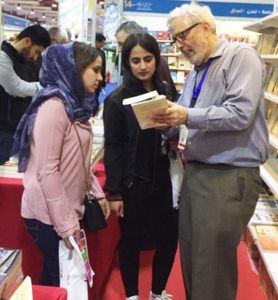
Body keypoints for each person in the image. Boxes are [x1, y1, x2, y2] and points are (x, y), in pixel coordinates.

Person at [152, 4, 269, 300]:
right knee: (194, 261)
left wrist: (186, 116)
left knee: (211, 267)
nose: (179, 46)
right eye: (174, 40)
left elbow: (239, 114)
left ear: (206, 26)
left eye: (182, 36)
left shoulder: (240, 57)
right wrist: (166, 124)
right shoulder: (197, 72)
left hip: (227, 176)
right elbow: (193, 121)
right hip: (199, 174)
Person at [12, 42, 110, 286]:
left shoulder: (77, 106)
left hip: (65, 211)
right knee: (64, 279)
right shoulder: (55, 107)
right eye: (95, 70)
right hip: (48, 216)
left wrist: (96, 193)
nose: (100, 77)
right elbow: (47, 171)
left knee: (57, 278)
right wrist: (66, 225)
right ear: (75, 69)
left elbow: (79, 162)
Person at [103, 33, 178, 300]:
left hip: (162, 175)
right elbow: (113, 147)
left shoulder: (165, 90)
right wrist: (114, 192)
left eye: (148, 59)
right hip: (132, 180)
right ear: (127, 63)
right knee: (131, 240)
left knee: (169, 238)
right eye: (136, 60)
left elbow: (176, 126)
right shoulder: (116, 100)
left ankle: (157, 292)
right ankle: (132, 295)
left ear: (157, 59)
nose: (143, 66)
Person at [0, 25, 51, 165]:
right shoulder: (2, 58)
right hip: (4, 132)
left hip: (19, 129)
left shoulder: (23, 61)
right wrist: (45, 88)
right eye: (36, 51)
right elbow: (15, 87)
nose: (35, 57)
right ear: (27, 41)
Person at [115, 21, 178, 100]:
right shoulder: (117, 98)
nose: (143, 67)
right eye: (136, 61)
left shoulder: (158, 68)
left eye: (122, 44)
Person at [94, 33, 107, 114]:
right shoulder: (89, 52)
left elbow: (104, 69)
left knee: (96, 95)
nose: (103, 44)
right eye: (102, 42)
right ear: (97, 42)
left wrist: (103, 82)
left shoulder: (102, 53)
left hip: (99, 79)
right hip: (93, 79)